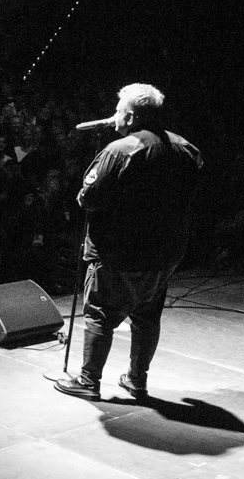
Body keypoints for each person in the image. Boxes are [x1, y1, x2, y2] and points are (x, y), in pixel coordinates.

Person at [55, 83, 203, 400]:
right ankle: (137, 378)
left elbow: (88, 199)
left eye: (119, 110)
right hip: (165, 252)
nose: (114, 116)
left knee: (99, 314)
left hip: (118, 250)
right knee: (147, 316)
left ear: (132, 116)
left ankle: (88, 381)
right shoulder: (187, 149)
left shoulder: (120, 150)